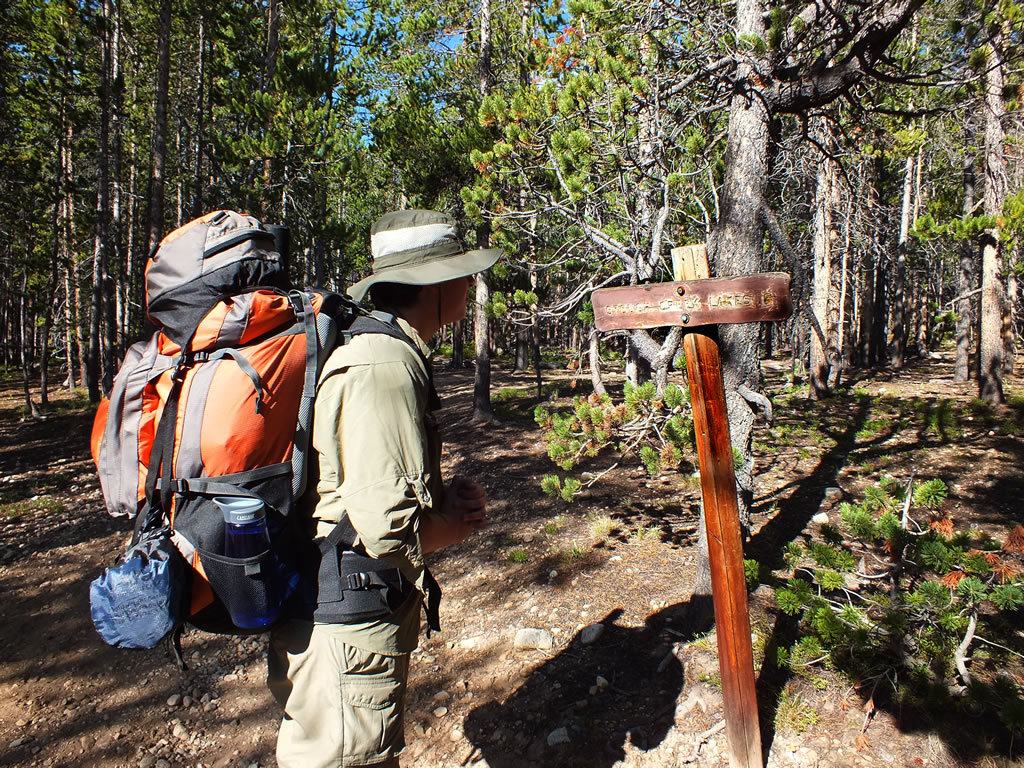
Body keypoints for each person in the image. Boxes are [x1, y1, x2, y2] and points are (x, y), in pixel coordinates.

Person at [268, 209, 501, 768]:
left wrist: (443, 502)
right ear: (435, 284)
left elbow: (364, 488)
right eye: (463, 274)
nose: (471, 285)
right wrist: (456, 525)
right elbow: (385, 530)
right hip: (345, 625)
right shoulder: (384, 364)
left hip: (338, 618)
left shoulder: (380, 347)